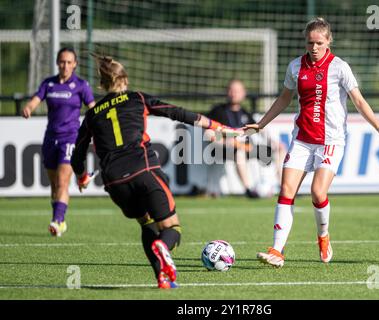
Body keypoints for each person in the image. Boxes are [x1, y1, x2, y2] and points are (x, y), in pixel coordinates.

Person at [70, 54, 241, 289]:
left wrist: (81, 176)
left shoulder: (91, 114)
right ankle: (164, 247)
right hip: (143, 169)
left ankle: (163, 278)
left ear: (102, 84)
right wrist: (217, 126)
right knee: (171, 228)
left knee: (146, 223)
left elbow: (76, 155)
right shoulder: (137, 98)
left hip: (114, 181)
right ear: (125, 80)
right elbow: (177, 112)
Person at [245, 17, 379, 267]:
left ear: (328, 41)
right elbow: (284, 98)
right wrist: (262, 123)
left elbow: (358, 101)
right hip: (302, 140)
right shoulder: (295, 66)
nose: (314, 47)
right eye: (310, 43)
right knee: (286, 191)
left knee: (318, 192)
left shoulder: (340, 67)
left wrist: (378, 125)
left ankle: (323, 235)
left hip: (331, 141)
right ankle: (277, 250)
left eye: (319, 42)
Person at [22, 47, 95, 237]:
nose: (65, 65)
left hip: (70, 138)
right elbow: (36, 99)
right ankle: (59, 220)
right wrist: (29, 108)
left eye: (69, 62)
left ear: (75, 64)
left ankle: (57, 221)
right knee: (54, 185)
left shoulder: (81, 85)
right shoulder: (49, 84)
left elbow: (93, 108)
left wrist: (97, 130)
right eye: (62, 61)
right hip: (50, 139)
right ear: (57, 63)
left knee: (63, 181)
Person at [207, 79, 285, 198]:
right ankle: (248, 190)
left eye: (237, 91)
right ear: (227, 92)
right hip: (223, 149)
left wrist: (273, 141)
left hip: (246, 147)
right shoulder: (218, 111)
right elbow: (208, 133)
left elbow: (259, 128)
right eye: (232, 90)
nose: (234, 93)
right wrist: (225, 141)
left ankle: (283, 187)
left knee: (280, 150)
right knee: (240, 152)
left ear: (243, 93)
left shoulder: (245, 112)